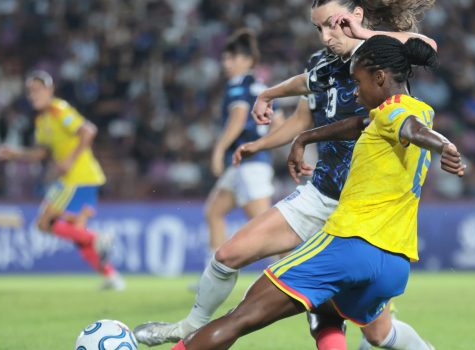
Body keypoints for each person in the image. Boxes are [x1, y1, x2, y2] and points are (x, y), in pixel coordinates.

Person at [135, 1, 436, 348]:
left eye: (331, 25)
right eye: (318, 28)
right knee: (228, 255)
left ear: (355, 16)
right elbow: (301, 112)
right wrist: (267, 108)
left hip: (363, 215)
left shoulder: (383, 56)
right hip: (320, 194)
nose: (325, 36)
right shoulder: (323, 65)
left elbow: (427, 48)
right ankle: (190, 327)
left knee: (374, 331)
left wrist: (362, 34)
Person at [0, 70, 124, 290]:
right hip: (83, 178)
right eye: (30, 91)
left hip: (77, 177)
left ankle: (98, 237)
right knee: (76, 234)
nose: (33, 95)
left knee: (44, 223)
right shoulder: (42, 119)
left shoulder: (58, 109)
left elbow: (89, 131)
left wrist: (69, 161)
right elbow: (42, 153)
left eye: (38, 90)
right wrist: (14, 154)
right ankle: (111, 276)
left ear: (50, 90)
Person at [204, 28, 277, 274]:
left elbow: (238, 117)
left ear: (247, 60)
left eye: (231, 58)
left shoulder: (238, 85)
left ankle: (294, 274)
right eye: (225, 58)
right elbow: (279, 120)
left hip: (249, 163)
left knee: (268, 229)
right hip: (246, 164)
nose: (226, 64)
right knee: (214, 211)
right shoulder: (260, 86)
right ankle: (212, 273)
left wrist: (218, 149)